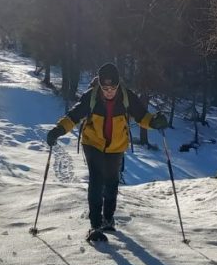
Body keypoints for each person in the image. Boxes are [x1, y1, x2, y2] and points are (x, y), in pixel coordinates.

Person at [45, 62, 169, 242]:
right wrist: (58, 130)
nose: (109, 91)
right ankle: (95, 226)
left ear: (118, 84)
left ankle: (108, 218)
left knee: (111, 182)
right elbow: (74, 116)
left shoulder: (127, 97)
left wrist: (155, 122)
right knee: (97, 179)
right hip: (93, 143)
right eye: (105, 87)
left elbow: (142, 116)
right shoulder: (91, 97)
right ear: (100, 84)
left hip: (116, 146)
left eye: (113, 87)